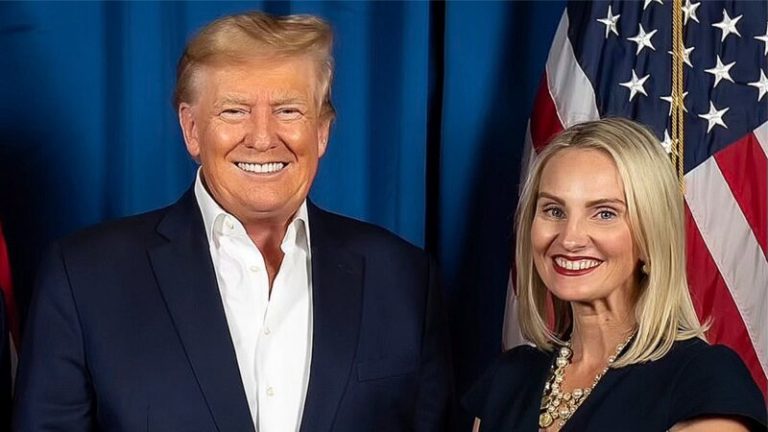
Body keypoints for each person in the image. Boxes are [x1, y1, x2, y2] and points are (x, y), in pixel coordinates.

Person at [13, 12, 453, 432]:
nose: (262, 138)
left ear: (322, 131)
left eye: (288, 110)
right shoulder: (84, 279)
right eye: (234, 111)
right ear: (191, 130)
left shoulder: (405, 279)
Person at [464, 118, 767, 432]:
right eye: (554, 210)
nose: (570, 238)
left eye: (605, 213)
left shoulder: (703, 380)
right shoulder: (508, 379)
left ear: (650, 235)